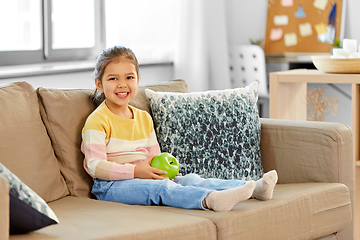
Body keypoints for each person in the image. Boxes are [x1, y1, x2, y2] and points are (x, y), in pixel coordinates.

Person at [81, 46, 278, 212]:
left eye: (129, 77)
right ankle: (210, 200)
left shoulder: (143, 117)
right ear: (99, 84)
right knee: (162, 188)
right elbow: (94, 166)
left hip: (144, 175)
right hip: (110, 186)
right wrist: (135, 171)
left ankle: (254, 188)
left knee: (191, 179)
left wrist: (160, 170)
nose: (122, 84)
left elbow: (154, 156)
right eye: (113, 79)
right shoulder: (97, 121)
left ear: (138, 79)